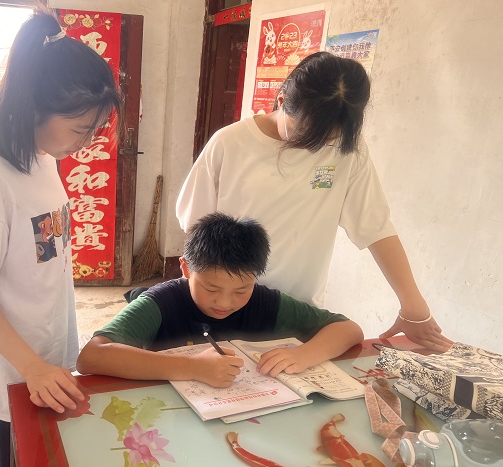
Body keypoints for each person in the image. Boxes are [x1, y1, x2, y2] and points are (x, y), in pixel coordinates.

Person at [175, 52, 452, 353]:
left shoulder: (349, 150)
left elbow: (376, 226)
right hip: (227, 305)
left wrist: (413, 307)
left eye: (328, 138)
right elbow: (197, 231)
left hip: (296, 313)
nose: (316, 146)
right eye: (306, 134)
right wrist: (201, 297)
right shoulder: (230, 143)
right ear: (282, 100)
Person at [0, 12, 121, 467]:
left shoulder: (43, 157)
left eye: (94, 130)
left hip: (46, 355)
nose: (87, 142)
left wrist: (46, 363)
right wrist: (31, 366)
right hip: (11, 367)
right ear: (35, 108)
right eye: (80, 129)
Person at [77, 213, 363, 387]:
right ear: (186, 269)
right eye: (211, 288)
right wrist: (192, 367)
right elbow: (91, 356)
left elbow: (348, 330)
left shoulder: (265, 302)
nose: (225, 302)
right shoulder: (161, 302)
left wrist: (303, 355)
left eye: (241, 290)